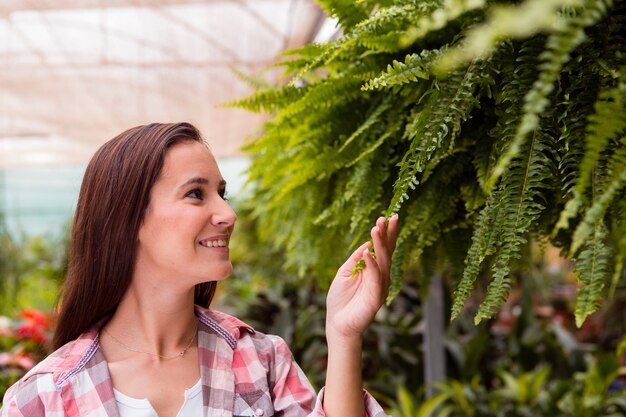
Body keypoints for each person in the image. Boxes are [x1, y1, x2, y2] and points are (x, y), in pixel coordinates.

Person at [0, 122, 399, 417]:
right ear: (129, 218)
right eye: (196, 194)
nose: (228, 214)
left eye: (221, 194)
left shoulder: (262, 361)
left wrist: (344, 336)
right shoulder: (41, 398)